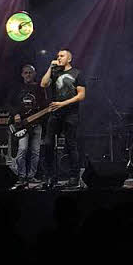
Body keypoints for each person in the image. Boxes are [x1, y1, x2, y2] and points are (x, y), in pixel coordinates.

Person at [40, 49, 87, 188]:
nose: (59, 58)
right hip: (55, 114)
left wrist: (62, 104)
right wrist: (50, 67)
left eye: (62, 56)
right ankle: (49, 176)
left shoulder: (77, 73)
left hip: (70, 114)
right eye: (58, 56)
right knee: (48, 143)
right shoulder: (55, 73)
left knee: (70, 144)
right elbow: (43, 84)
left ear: (69, 58)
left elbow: (81, 95)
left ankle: (74, 176)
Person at [7, 63, 44, 185]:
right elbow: (9, 104)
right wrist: (15, 114)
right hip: (21, 125)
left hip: (36, 124)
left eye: (30, 72)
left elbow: (44, 105)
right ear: (22, 74)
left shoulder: (40, 88)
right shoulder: (16, 88)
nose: (28, 75)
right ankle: (21, 176)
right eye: (26, 72)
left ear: (35, 74)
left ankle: (31, 176)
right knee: (22, 149)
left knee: (35, 152)